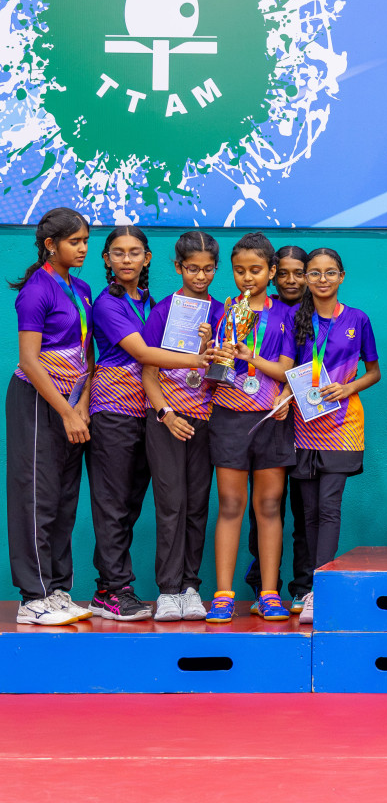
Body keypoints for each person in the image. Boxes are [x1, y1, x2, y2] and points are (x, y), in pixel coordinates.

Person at [86, 226, 204, 621]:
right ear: (106, 260)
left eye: (134, 252)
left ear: (147, 258)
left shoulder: (151, 303)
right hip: (114, 412)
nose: (126, 259)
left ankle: (120, 585)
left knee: (131, 504)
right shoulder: (106, 304)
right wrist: (198, 359)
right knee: (113, 504)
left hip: (148, 414)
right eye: (117, 253)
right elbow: (143, 353)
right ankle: (111, 590)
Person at [7, 208, 95, 625]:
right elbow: (30, 359)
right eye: (74, 242)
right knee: (36, 497)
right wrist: (66, 411)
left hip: (71, 404)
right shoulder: (36, 289)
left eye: (85, 241)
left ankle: (58, 591)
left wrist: (80, 405)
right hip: (39, 401)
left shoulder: (81, 287)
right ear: (50, 244)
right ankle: (33, 597)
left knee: (63, 500)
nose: (82, 249)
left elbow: (86, 353)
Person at [204, 234, 297, 623]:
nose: (247, 278)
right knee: (230, 506)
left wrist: (251, 355)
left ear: (271, 272)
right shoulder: (223, 312)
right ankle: (223, 593)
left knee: (269, 506)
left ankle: (270, 592)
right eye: (239, 270)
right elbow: (211, 372)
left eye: (255, 270)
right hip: (228, 416)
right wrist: (214, 352)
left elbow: (287, 370)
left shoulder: (285, 315)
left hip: (270, 418)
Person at [289, 248, 380, 624]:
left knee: (329, 507)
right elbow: (284, 369)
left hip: (343, 425)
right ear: (306, 279)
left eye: (329, 273)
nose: (322, 279)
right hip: (300, 423)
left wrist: (348, 388)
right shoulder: (294, 317)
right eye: (314, 273)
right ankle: (307, 587)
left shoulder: (358, 319)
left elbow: (374, 372)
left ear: (342, 276)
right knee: (307, 513)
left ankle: (318, 591)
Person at [142, 233, 223, 621]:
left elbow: (225, 376)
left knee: (196, 505)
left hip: (206, 420)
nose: (201, 275)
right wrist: (165, 415)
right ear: (178, 267)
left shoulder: (223, 312)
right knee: (170, 503)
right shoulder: (162, 310)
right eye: (193, 268)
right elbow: (148, 370)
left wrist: (211, 352)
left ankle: (191, 587)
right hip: (167, 420)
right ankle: (168, 591)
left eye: (208, 268)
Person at [242, 243, 311, 609]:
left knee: (304, 507)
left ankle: (302, 587)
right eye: (282, 272)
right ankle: (262, 586)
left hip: (312, 422)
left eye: (298, 272)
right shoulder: (258, 310)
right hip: (270, 417)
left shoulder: (317, 313)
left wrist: (288, 389)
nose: (290, 280)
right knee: (265, 506)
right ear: (271, 273)